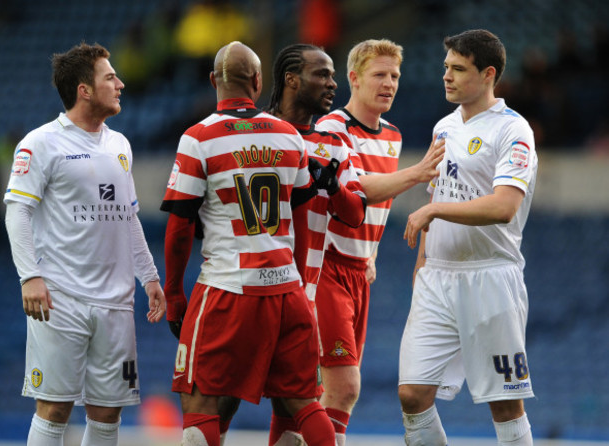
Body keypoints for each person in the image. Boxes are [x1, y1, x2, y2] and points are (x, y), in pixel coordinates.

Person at [160, 41, 335, 446]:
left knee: (201, 407)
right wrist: (302, 280)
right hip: (286, 289)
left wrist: (174, 294)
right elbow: (302, 215)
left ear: (212, 81)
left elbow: (180, 228)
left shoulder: (199, 138)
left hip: (228, 287)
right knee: (305, 404)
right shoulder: (290, 136)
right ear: (259, 82)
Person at [3, 42, 166, 446]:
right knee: (55, 407)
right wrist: (30, 277)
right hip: (61, 297)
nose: (121, 84)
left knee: (108, 411)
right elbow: (16, 212)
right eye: (110, 77)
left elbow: (128, 218)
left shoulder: (120, 146)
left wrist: (149, 276)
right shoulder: (40, 143)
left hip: (116, 302)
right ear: (84, 90)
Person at [398, 29, 538, 446]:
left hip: (491, 278)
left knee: (504, 404)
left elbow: (503, 207)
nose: (447, 76)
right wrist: (421, 267)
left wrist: (435, 210)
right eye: (446, 67)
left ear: (488, 73)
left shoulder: (513, 130)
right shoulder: (443, 127)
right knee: (412, 393)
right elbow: (437, 194)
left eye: (459, 69)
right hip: (437, 278)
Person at [313, 38, 444, 444]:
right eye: (379, 75)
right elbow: (357, 187)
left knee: (329, 392)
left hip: (358, 271)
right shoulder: (332, 127)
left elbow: (380, 203)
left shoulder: (393, 135)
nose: (389, 83)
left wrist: (369, 253)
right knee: (345, 386)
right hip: (326, 266)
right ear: (353, 78)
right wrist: (417, 173)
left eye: (395, 76)